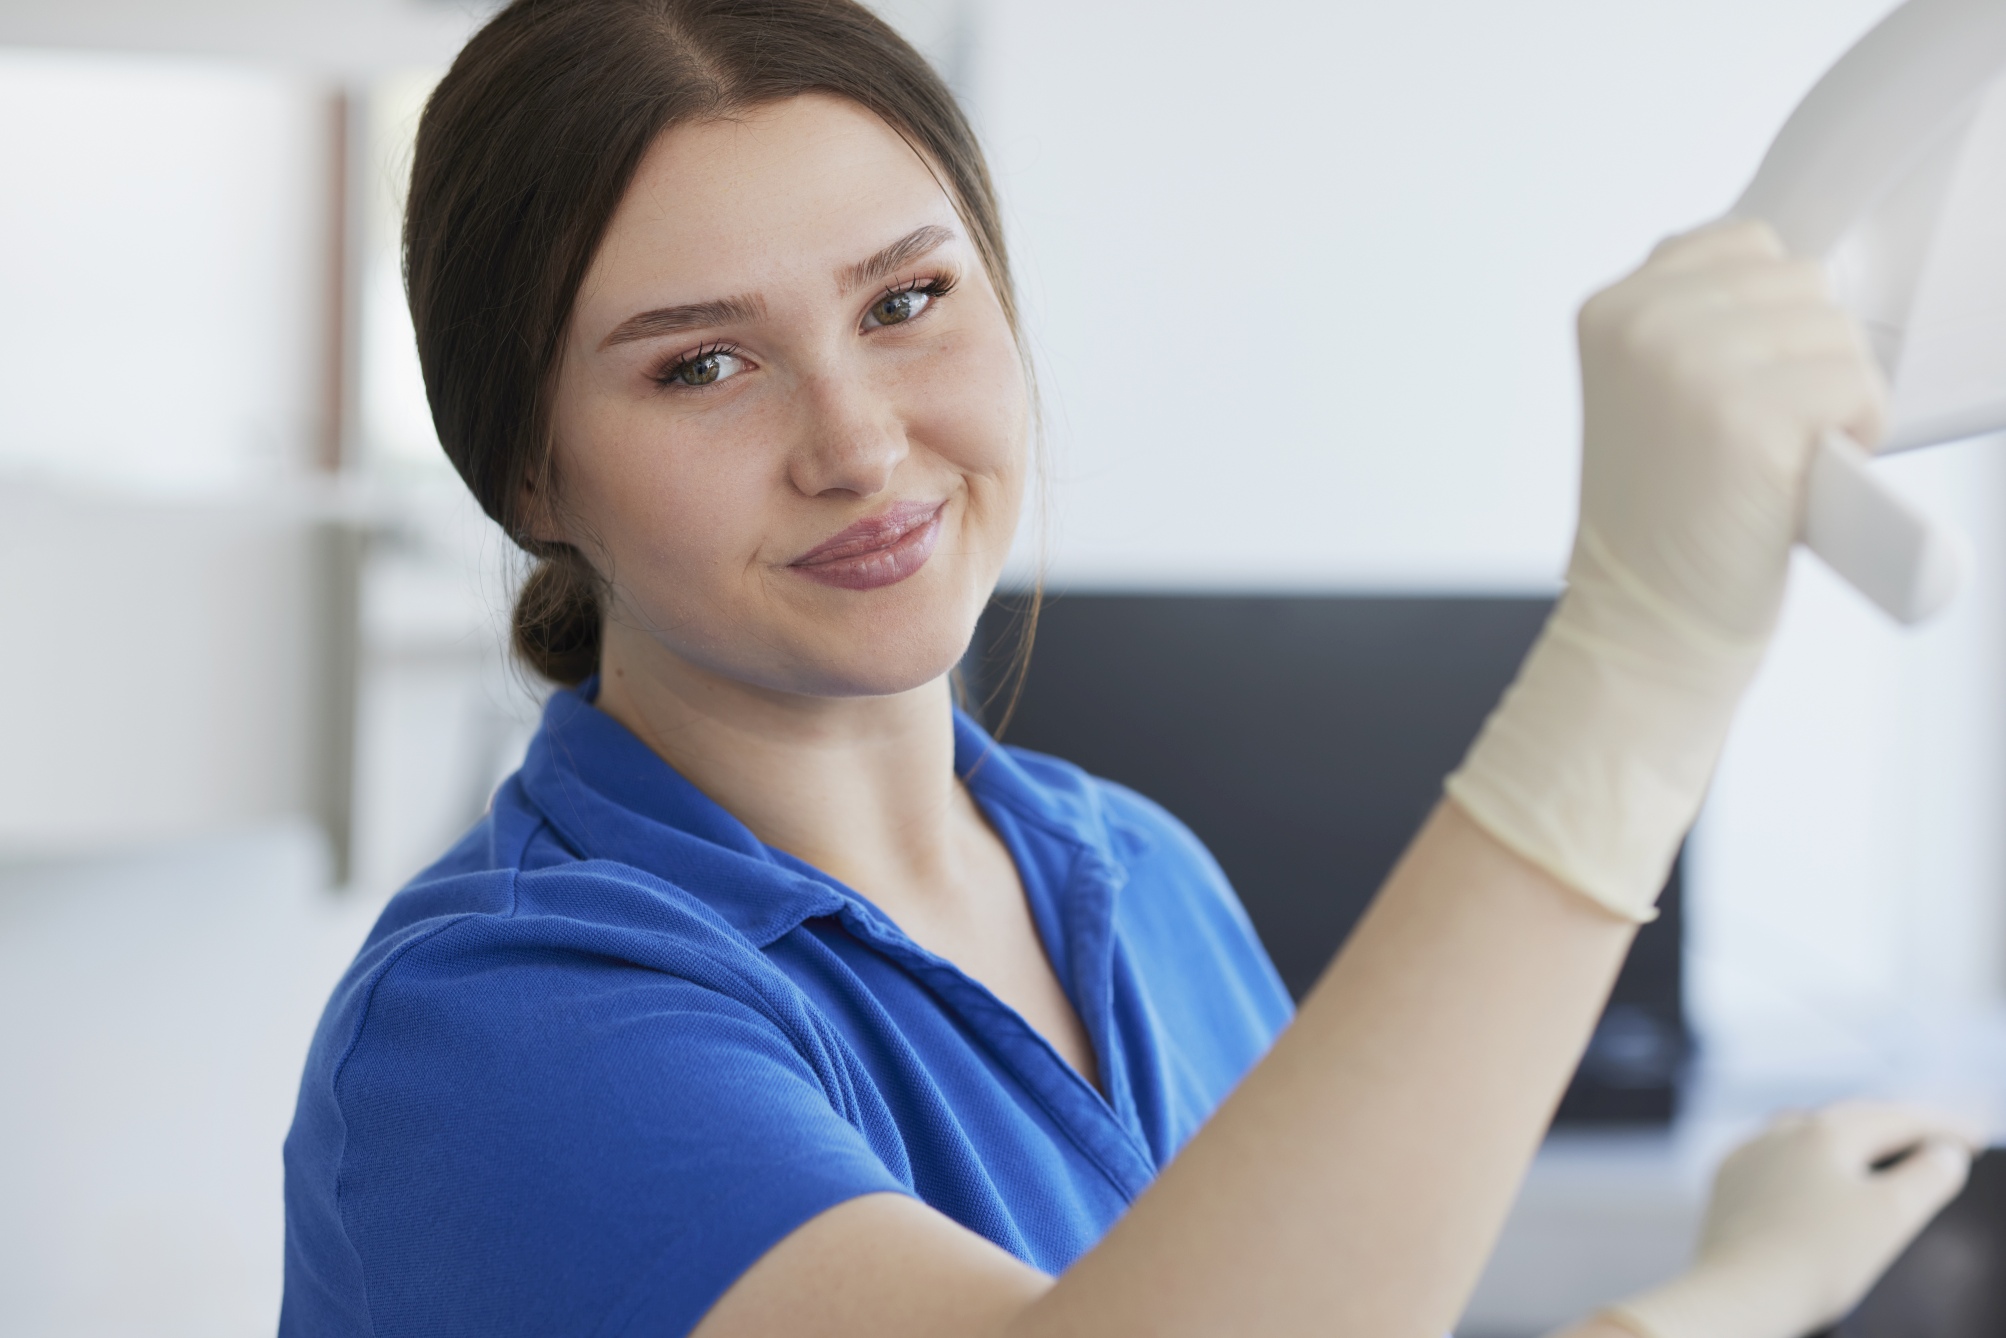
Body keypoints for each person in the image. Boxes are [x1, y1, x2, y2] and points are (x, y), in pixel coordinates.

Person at [279, 2, 1977, 1335]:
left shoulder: (1140, 875)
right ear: (526, 473)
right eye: (703, 365)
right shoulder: (495, 1030)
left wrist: (1732, 1293)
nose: (857, 445)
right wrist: (1639, 660)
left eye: (904, 301)